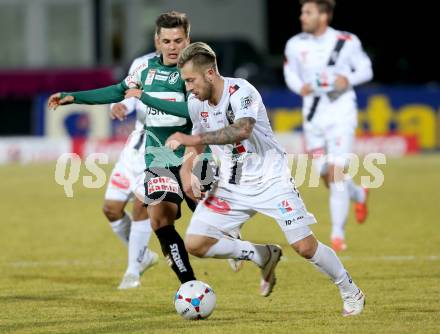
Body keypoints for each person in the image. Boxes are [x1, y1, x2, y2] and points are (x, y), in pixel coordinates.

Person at [125, 42, 365, 316]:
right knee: (196, 243)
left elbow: (241, 130)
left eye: (191, 80)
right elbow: (197, 148)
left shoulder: (242, 92)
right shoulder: (195, 103)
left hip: (271, 178)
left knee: (304, 246)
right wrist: (188, 169)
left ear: (211, 73)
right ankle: (262, 254)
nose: (188, 88)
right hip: (230, 182)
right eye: (185, 82)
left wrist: (192, 139)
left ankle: (349, 289)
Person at [48, 11, 200, 288]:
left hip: (190, 151)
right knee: (147, 214)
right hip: (151, 149)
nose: (172, 46)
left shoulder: (195, 69)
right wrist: (75, 97)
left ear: (187, 40)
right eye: (166, 40)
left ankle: (240, 248)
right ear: (156, 40)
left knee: (203, 221)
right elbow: (121, 92)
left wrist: (144, 97)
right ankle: (182, 281)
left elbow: (191, 110)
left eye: (178, 40)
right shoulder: (143, 67)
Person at [283, 0, 373, 251]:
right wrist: (298, 87)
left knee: (336, 171)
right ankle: (359, 194)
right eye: (302, 11)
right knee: (326, 174)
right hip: (313, 117)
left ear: (324, 16)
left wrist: (349, 79)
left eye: (308, 12)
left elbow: (366, 69)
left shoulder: (346, 41)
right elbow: (290, 72)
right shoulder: (295, 44)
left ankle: (337, 235)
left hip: (341, 113)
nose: (302, 16)